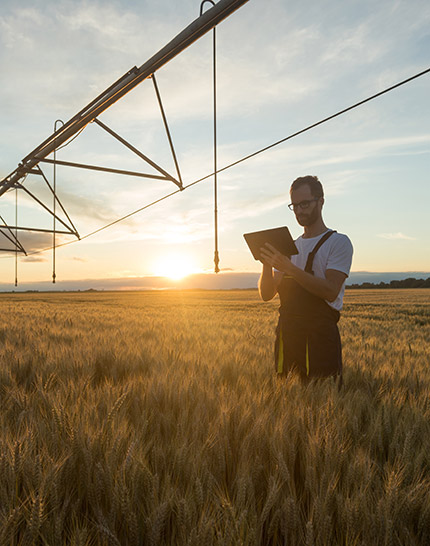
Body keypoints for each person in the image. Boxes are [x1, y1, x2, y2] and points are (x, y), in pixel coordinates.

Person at [259, 175, 353, 384]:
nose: (300, 211)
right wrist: (266, 262)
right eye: (295, 206)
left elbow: (330, 290)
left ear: (321, 201)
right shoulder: (289, 246)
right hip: (287, 336)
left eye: (305, 204)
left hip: (319, 338)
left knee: (323, 401)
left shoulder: (338, 243)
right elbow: (267, 294)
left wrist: (289, 267)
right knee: (287, 401)